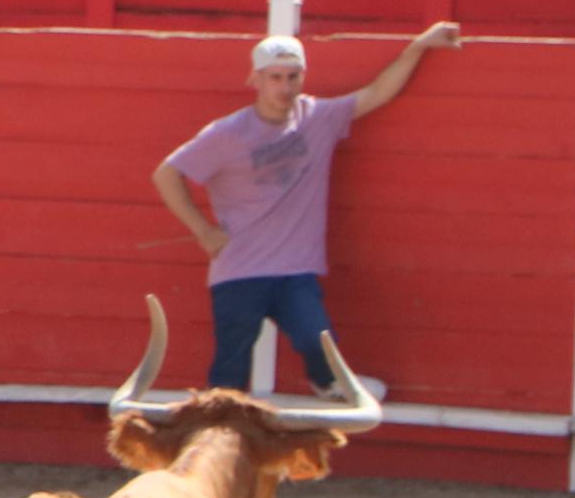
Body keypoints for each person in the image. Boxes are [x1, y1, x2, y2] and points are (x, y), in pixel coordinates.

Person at [153, 26, 462, 390]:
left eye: (292, 77)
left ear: (303, 77)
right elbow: (166, 174)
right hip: (239, 267)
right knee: (230, 366)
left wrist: (418, 46)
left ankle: (327, 383)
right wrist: (203, 230)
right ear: (255, 79)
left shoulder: (317, 117)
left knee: (317, 338)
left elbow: (378, 93)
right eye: (275, 78)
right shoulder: (228, 133)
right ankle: (222, 428)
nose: (284, 87)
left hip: (295, 267)